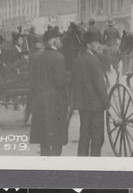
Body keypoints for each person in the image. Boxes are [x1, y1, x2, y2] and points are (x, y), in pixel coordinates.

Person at [29, 26, 69, 156]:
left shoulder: (36, 57)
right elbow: (60, 83)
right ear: (52, 41)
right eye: (58, 38)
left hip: (39, 101)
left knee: (44, 139)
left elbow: (32, 80)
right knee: (57, 139)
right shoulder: (59, 57)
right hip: (54, 102)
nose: (61, 41)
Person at [73, 31, 109, 156]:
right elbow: (100, 84)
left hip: (83, 105)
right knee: (97, 138)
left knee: (84, 136)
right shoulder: (94, 61)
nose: (98, 45)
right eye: (95, 43)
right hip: (95, 106)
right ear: (88, 45)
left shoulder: (77, 59)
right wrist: (106, 103)